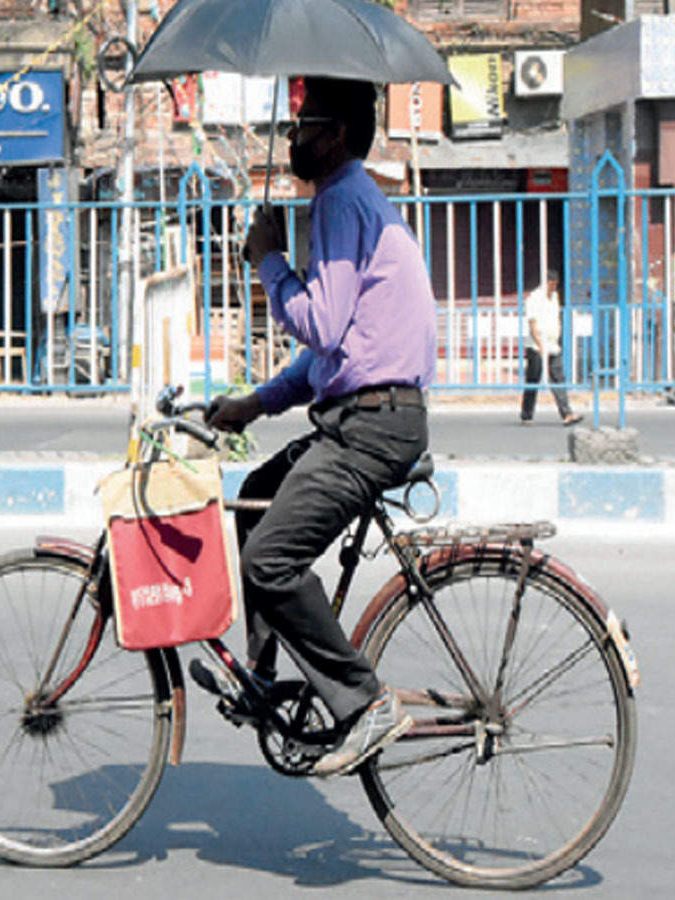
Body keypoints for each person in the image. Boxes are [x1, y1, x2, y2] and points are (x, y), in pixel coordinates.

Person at [198, 77, 436, 777]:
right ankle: (265, 680)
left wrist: (268, 258)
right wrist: (255, 403)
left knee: (268, 561)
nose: (294, 136)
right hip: (366, 415)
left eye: (303, 125)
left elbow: (320, 323)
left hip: (372, 428)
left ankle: (364, 704)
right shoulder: (354, 200)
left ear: (332, 136)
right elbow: (334, 353)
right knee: (255, 497)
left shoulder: (338, 201)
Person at [520, 269, 582, 426]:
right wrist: (541, 346)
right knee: (533, 380)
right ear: (548, 282)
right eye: (553, 284)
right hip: (537, 346)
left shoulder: (554, 297)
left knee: (557, 378)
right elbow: (532, 323)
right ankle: (527, 414)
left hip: (553, 345)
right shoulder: (534, 298)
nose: (555, 287)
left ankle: (566, 413)